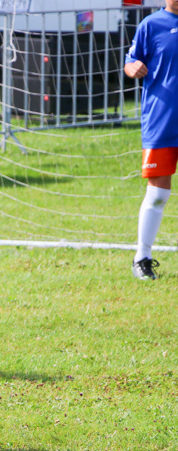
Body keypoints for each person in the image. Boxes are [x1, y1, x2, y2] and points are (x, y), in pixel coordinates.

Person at [124, 0, 178, 280]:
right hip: (162, 121)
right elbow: (130, 61)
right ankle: (142, 257)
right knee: (158, 194)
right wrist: (132, 68)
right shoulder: (151, 25)